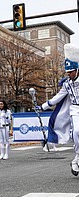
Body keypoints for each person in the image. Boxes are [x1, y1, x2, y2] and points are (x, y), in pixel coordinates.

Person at [39, 43, 79, 176]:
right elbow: (58, 97)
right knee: (77, 132)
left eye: (71, 72)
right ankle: (77, 159)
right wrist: (44, 106)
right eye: (67, 72)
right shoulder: (67, 84)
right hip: (75, 110)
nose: (69, 74)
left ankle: (76, 160)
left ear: (77, 70)